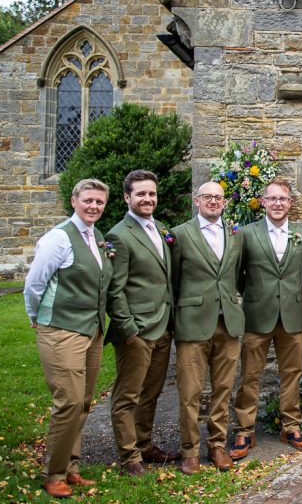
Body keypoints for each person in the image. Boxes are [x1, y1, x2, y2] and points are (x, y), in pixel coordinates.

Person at [24, 179, 112, 499]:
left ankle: (71, 467)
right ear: (74, 200)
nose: (94, 206)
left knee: (84, 402)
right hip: (61, 330)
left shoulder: (97, 237)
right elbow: (34, 284)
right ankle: (54, 473)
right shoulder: (58, 238)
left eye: (99, 202)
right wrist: (36, 317)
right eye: (88, 200)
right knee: (69, 402)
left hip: (91, 330)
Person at [230, 178, 302, 460]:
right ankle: (244, 429)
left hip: (291, 315)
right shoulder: (246, 233)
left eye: (283, 199)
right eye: (273, 199)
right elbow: (238, 274)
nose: (278, 203)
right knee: (250, 374)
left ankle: (291, 426)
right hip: (257, 314)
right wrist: (256, 295)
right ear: (263, 202)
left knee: (292, 374)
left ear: (291, 203)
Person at [104, 170, 179, 477]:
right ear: (127, 198)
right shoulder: (119, 236)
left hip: (163, 326)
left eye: (152, 194)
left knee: (151, 392)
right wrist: (128, 329)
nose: (148, 199)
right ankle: (129, 456)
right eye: (141, 194)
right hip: (137, 331)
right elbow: (115, 289)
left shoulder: (161, 229)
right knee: (127, 395)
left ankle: (145, 444)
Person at [170, 181, 245, 474]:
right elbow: (173, 280)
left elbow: (237, 274)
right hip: (193, 322)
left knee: (223, 389)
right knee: (190, 391)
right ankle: (189, 451)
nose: (213, 201)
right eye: (207, 197)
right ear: (196, 201)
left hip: (227, 321)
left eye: (218, 197)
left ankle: (217, 446)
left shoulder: (234, 235)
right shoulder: (180, 234)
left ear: (224, 202)